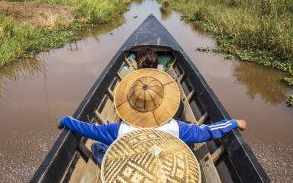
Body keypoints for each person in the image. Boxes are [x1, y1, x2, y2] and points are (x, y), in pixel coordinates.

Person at [59, 68, 246, 166]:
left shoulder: (118, 129)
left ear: (130, 104)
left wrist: (66, 121)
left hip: (132, 167)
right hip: (162, 165)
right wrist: (233, 122)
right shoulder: (176, 127)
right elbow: (206, 132)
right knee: (186, 143)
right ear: (163, 104)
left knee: (98, 146)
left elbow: (88, 129)